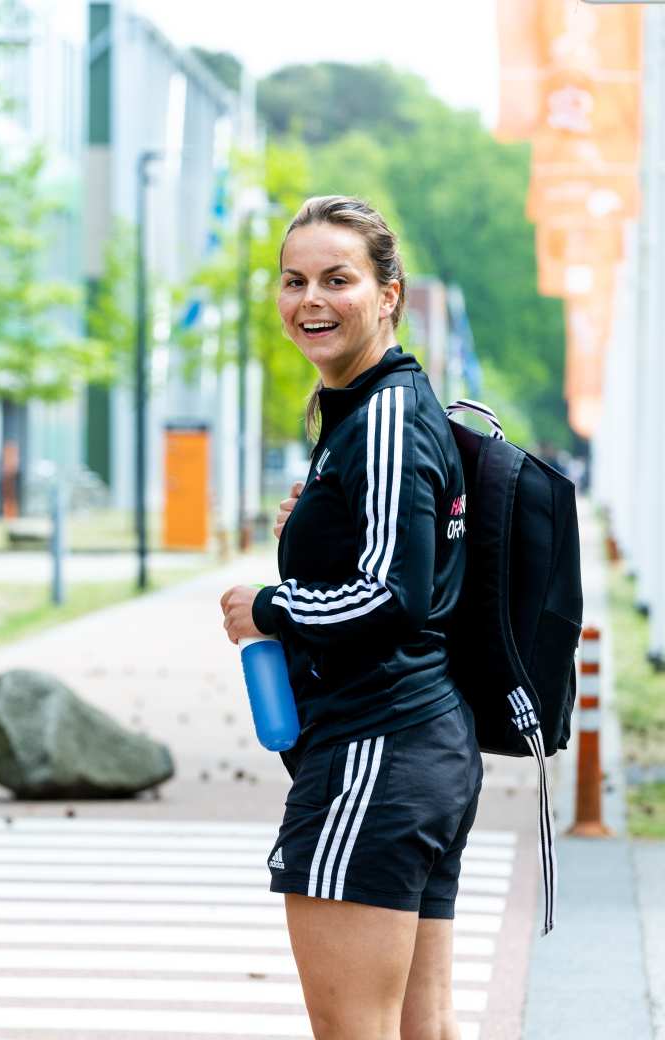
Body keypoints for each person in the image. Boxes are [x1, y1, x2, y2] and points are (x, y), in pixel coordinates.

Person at [220, 196, 481, 1040]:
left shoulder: (386, 418)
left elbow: (389, 597)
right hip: (423, 753)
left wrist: (266, 606)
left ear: (390, 294)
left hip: (374, 752)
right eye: (294, 282)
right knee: (422, 1029)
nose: (311, 300)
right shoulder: (381, 415)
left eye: (339, 279)